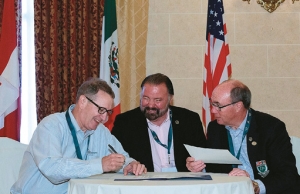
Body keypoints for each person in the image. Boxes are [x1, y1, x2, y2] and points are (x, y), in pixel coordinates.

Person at [11, 78, 147, 194]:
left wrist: (130, 164)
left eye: (108, 112)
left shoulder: (101, 132)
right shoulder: (51, 126)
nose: (105, 118)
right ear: (82, 101)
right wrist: (99, 165)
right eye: (101, 110)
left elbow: (121, 157)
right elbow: (52, 169)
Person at [186, 79, 300, 194]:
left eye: (218, 105)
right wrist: (200, 168)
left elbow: (288, 175)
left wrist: (255, 185)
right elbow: (215, 168)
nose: (213, 110)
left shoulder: (271, 127)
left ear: (238, 106)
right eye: (212, 103)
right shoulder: (215, 128)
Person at [111, 73, 206, 172]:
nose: (151, 105)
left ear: (170, 99)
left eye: (157, 100)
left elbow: (204, 156)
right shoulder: (125, 122)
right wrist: (128, 166)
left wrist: (196, 164)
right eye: (146, 98)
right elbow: (114, 157)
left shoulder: (189, 120)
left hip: (182, 183)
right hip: (144, 183)